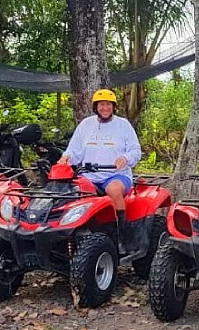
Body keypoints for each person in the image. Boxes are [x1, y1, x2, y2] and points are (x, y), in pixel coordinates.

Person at [58, 89, 142, 231]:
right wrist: (66, 157)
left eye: (108, 104)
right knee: (68, 193)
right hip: (88, 176)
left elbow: (135, 151)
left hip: (116, 175)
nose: (105, 108)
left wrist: (125, 158)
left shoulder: (123, 124)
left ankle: (122, 233)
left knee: (114, 190)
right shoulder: (85, 124)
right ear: (95, 107)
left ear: (114, 107)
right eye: (101, 105)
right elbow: (74, 149)